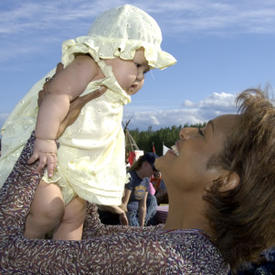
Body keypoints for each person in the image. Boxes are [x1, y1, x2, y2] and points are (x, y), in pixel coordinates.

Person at [1, 88, 275, 274]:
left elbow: (7, 255)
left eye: (203, 133)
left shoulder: (161, 257)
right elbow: (92, 237)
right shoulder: (189, 249)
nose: (185, 131)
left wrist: (43, 136)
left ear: (224, 181)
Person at [0, 4, 176, 240]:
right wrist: (45, 139)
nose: (140, 77)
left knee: (75, 216)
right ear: (110, 49)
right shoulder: (89, 64)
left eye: (145, 70)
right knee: (47, 210)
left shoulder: (113, 93)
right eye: (137, 65)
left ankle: (63, 259)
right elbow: (57, 94)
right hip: (48, 159)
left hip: (76, 173)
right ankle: (24, 250)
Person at [120, 152, 158, 226]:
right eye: (154, 169)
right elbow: (124, 204)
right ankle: (135, 225)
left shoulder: (146, 181)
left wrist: (141, 226)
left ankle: (140, 225)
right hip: (128, 212)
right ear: (145, 164)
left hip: (137, 212)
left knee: (152, 199)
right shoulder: (130, 177)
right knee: (130, 213)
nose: (154, 172)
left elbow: (142, 206)